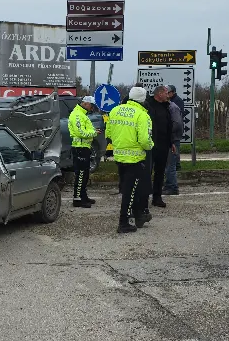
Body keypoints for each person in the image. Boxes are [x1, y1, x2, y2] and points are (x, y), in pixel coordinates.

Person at [106, 87, 153, 233]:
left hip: (119, 156)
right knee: (131, 191)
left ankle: (138, 215)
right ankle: (124, 222)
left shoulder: (115, 110)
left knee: (128, 188)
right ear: (142, 99)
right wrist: (151, 146)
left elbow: (108, 132)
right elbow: (145, 140)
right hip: (135, 158)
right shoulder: (142, 115)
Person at [146, 85, 176, 208]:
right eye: (165, 93)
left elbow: (169, 126)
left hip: (163, 144)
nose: (167, 95)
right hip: (151, 144)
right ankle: (143, 197)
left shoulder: (166, 106)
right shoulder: (148, 105)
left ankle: (157, 197)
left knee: (160, 172)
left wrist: (171, 142)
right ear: (159, 94)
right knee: (147, 171)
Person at [69, 95, 101, 208]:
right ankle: (77, 199)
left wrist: (93, 131)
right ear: (86, 103)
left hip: (84, 147)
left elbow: (86, 129)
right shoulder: (77, 114)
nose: (92, 109)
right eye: (91, 106)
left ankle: (83, 196)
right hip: (80, 148)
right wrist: (94, 133)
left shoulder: (82, 114)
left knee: (85, 174)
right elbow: (80, 132)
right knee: (81, 174)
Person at [164, 85, 183, 194]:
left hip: (173, 139)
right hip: (169, 139)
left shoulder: (173, 107)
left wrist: (168, 134)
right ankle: (168, 185)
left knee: (170, 165)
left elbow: (177, 124)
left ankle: (172, 187)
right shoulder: (168, 106)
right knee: (168, 164)